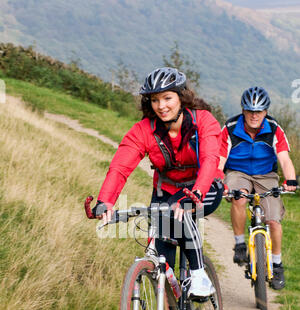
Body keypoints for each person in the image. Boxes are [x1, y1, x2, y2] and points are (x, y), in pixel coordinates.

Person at [93, 67, 224, 297]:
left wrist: (195, 193)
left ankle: (199, 275)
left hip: (206, 187)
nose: (161, 106)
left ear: (181, 97)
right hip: (166, 190)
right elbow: (120, 167)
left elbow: (210, 158)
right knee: (163, 259)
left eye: (167, 98)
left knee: (179, 209)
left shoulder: (203, 121)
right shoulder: (144, 130)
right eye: (155, 100)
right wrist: (105, 201)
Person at [220, 86, 297, 290]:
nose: (254, 115)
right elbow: (219, 159)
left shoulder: (273, 128)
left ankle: (277, 264)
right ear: (243, 110)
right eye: (250, 110)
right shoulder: (230, 127)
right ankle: (239, 244)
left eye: (259, 111)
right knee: (239, 197)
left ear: (266, 111)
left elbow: (284, 159)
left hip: (266, 175)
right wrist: (218, 181)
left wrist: (290, 181)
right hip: (238, 172)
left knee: (273, 220)